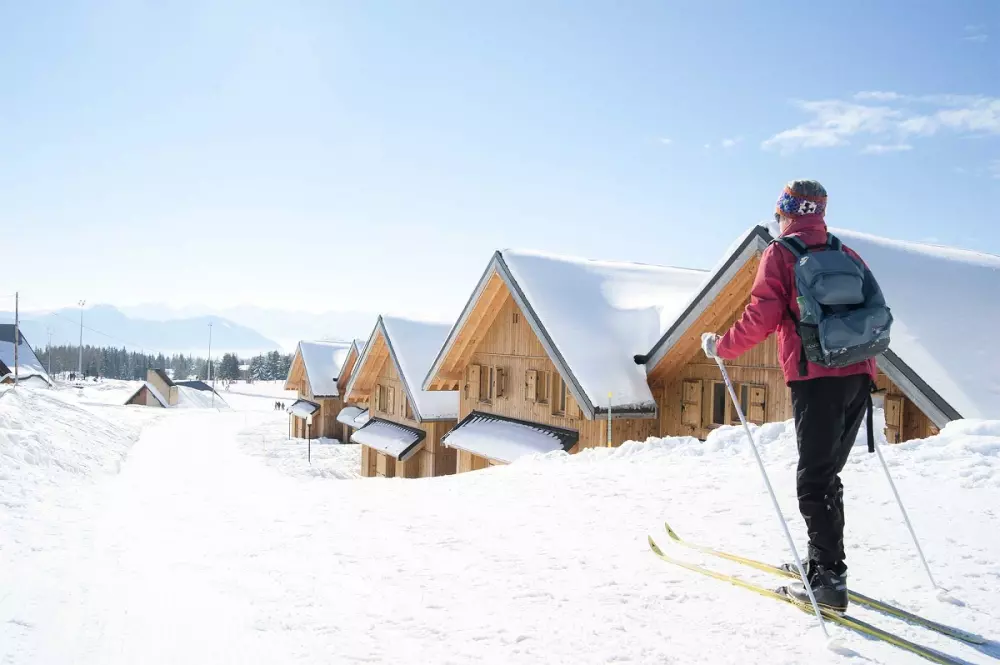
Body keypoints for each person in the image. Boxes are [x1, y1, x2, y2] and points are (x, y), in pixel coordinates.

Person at [700, 180, 876, 613]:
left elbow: (763, 313)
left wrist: (722, 347)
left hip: (815, 376)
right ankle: (823, 566)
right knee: (826, 474)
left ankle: (830, 582)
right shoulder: (845, 252)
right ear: (820, 211)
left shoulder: (781, 254)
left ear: (784, 211)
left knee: (813, 480)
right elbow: (875, 307)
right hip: (859, 374)